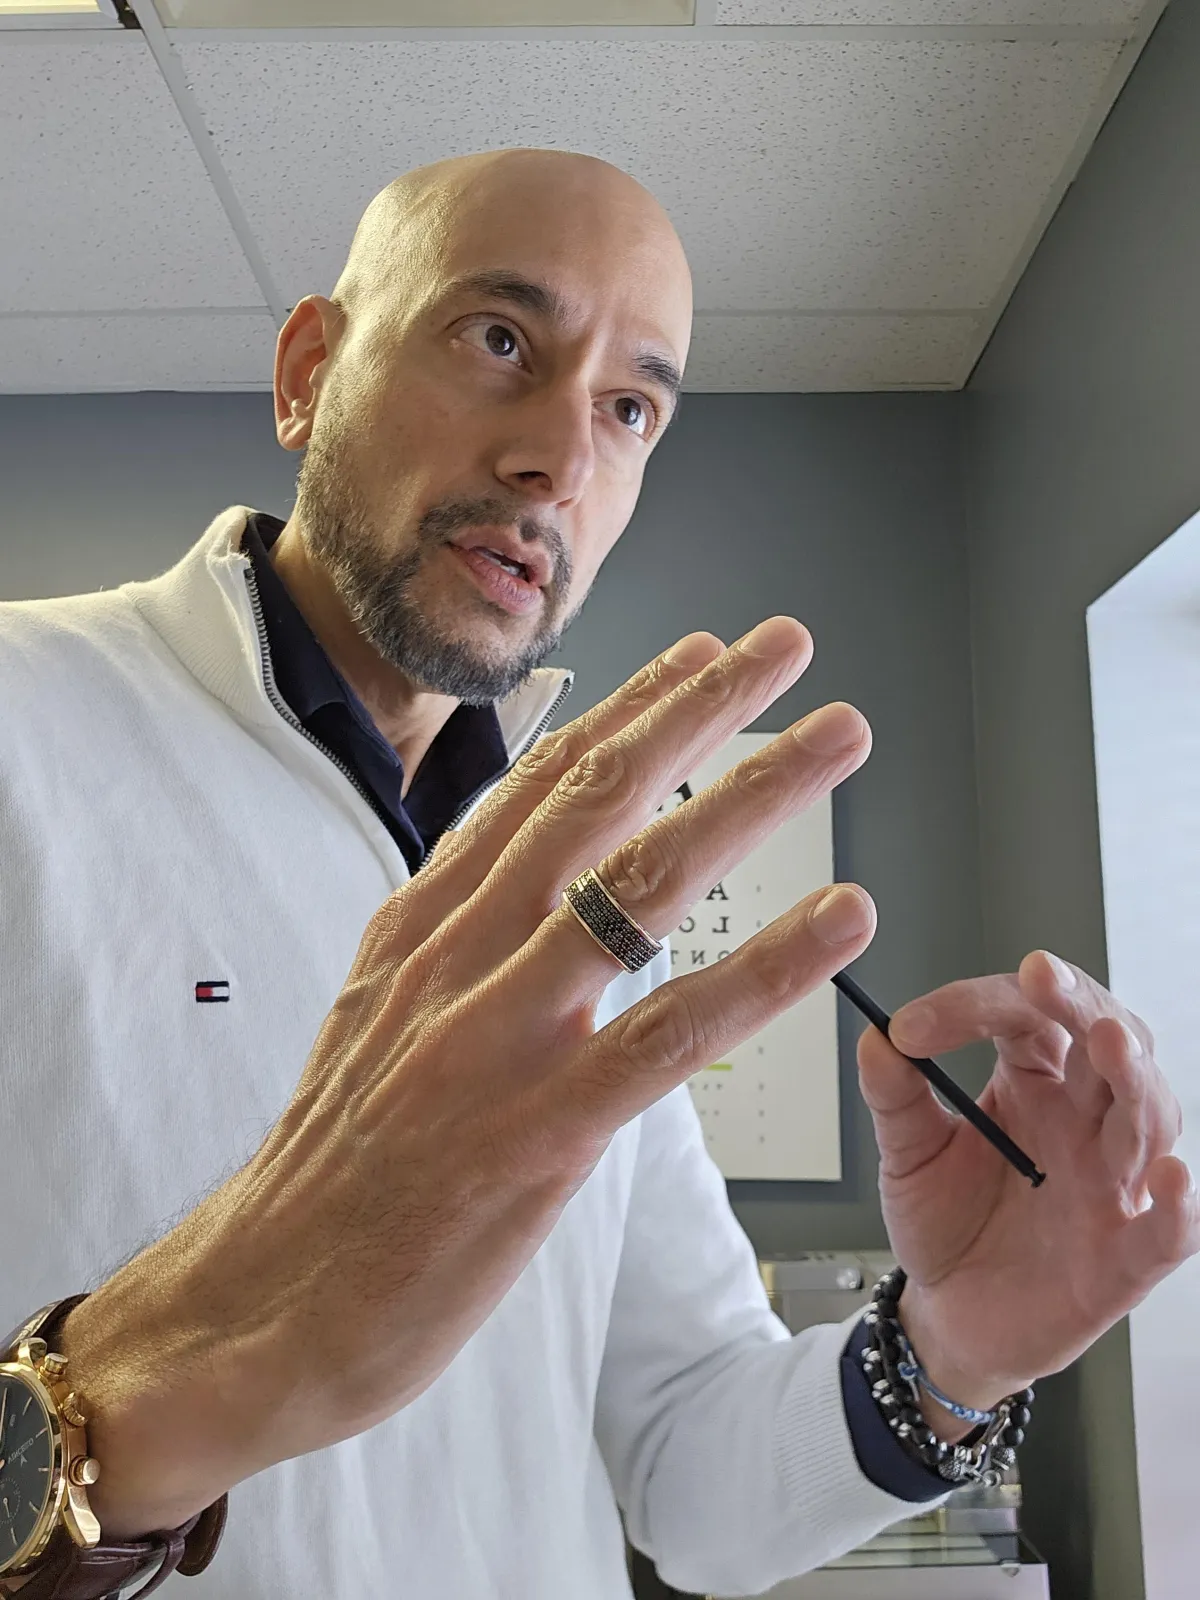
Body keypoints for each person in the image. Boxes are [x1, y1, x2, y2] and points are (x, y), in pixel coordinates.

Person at [0, 148, 1194, 1600]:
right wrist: (159, 1374)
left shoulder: (585, 904)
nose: (559, 462)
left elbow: (695, 1484)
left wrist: (951, 1361)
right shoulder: (22, 716)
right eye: (500, 341)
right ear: (310, 370)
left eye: (630, 408)